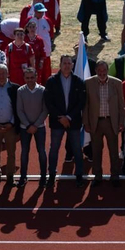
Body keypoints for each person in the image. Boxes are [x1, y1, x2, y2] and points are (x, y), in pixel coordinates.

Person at [44, 54, 88, 183]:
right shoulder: (51, 81)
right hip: (57, 121)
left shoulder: (79, 81)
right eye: (64, 63)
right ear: (60, 65)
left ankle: (79, 174)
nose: (67, 66)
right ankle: (52, 174)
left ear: (72, 65)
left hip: (73, 121)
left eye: (69, 63)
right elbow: (48, 102)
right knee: (54, 149)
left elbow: (81, 102)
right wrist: (61, 117)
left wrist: (68, 117)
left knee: (77, 149)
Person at [84, 59, 125, 184]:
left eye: (104, 70)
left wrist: (121, 122)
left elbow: (121, 104)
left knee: (113, 151)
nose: (102, 73)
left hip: (111, 122)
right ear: (95, 71)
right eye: (99, 70)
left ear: (108, 70)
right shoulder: (88, 83)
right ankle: (97, 176)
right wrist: (86, 123)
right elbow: (86, 105)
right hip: (95, 122)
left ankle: (115, 175)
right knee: (96, 151)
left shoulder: (117, 83)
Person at [16, 67, 49, 186]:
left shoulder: (43, 90)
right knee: (24, 152)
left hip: (39, 127)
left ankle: (43, 177)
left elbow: (45, 110)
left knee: (42, 151)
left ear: (36, 77)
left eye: (32, 77)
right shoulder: (20, 91)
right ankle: (23, 177)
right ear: (24, 78)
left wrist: (35, 125)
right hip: (25, 128)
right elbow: (19, 110)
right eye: (27, 78)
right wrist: (28, 125)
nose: (30, 80)